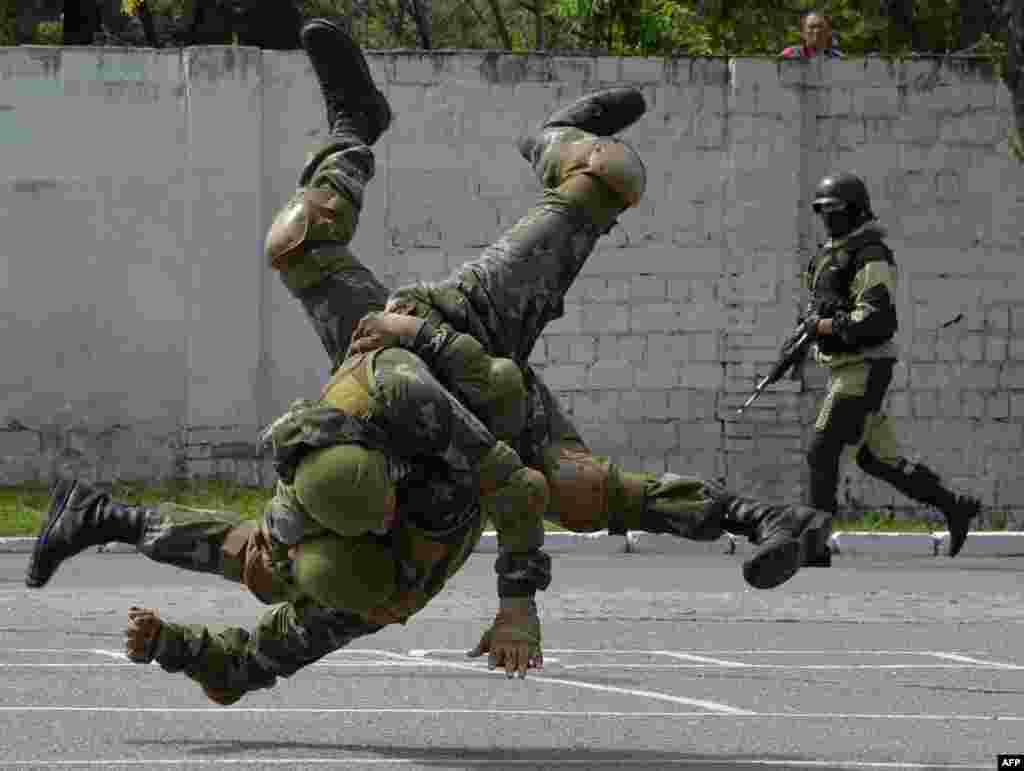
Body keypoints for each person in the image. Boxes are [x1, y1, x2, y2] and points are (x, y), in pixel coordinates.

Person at [25, 19, 555, 703]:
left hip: (419, 436)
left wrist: (170, 643)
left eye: (285, 546)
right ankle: (356, 130)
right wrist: (520, 601)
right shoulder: (384, 398)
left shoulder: (365, 591)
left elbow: (240, 665)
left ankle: (99, 514)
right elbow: (516, 489)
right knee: (298, 240)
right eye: (291, 525)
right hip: (406, 354)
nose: (276, 545)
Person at [267, 21, 830, 590]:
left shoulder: (317, 479)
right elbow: (524, 495)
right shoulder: (392, 559)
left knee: (298, 240)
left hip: (417, 333)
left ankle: (364, 124)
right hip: (489, 381)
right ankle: (765, 516)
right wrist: (515, 598)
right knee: (579, 491)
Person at [795, 171, 981, 566]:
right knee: (876, 460)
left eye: (836, 211)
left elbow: (874, 320)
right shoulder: (825, 257)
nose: (828, 219)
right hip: (844, 366)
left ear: (856, 211)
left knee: (822, 451)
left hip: (864, 366)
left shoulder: (870, 254)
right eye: (822, 212)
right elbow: (815, 312)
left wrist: (824, 327)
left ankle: (814, 546)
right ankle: (955, 506)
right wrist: (799, 345)